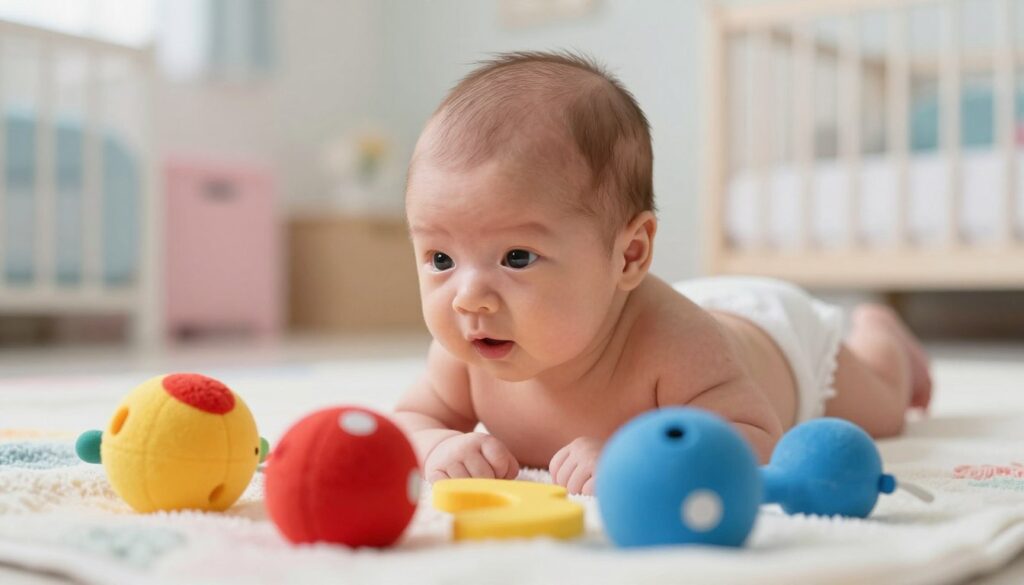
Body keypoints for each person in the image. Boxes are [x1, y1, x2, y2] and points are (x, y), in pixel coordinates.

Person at [393, 51, 932, 496]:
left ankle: (880, 334)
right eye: (441, 259)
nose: (469, 298)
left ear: (627, 256)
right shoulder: (468, 349)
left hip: (777, 338)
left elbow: (758, 436)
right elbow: (410, 422)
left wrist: (636, 457)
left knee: (885, 412)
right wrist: (438, 446)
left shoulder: (674, 345)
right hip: (667, 301)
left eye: (516, 257)